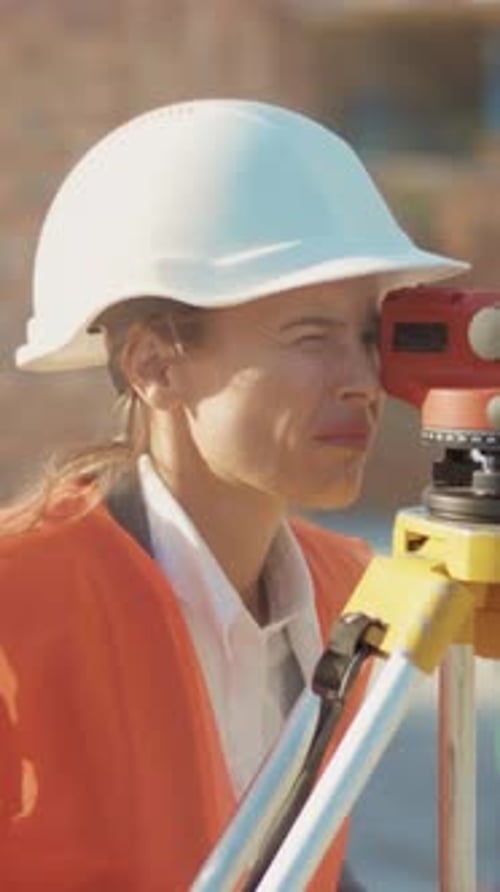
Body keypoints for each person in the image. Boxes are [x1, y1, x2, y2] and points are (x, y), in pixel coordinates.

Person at [0, 100, 467, 891]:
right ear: (155, 366)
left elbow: (292, 860)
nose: (362, 383)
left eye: (365, 337)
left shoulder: (347, 592)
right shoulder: (18, 601)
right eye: (311, 336)